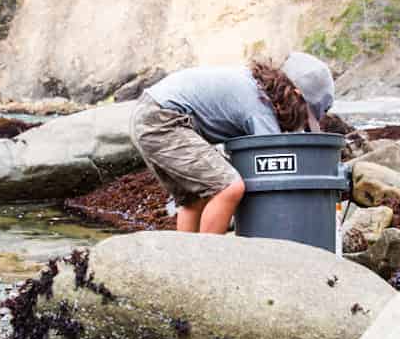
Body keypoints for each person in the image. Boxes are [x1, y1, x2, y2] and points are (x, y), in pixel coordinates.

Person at [130, 52, 335, 234]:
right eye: (303, 118)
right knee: (229, 187)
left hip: (148, 112)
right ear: (296, 95)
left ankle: (185, 262)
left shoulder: (255, 85)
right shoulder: (259, 107)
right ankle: (209, 260)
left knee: (194, 198)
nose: (299, 123)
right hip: (164, 119)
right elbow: (274, 160)